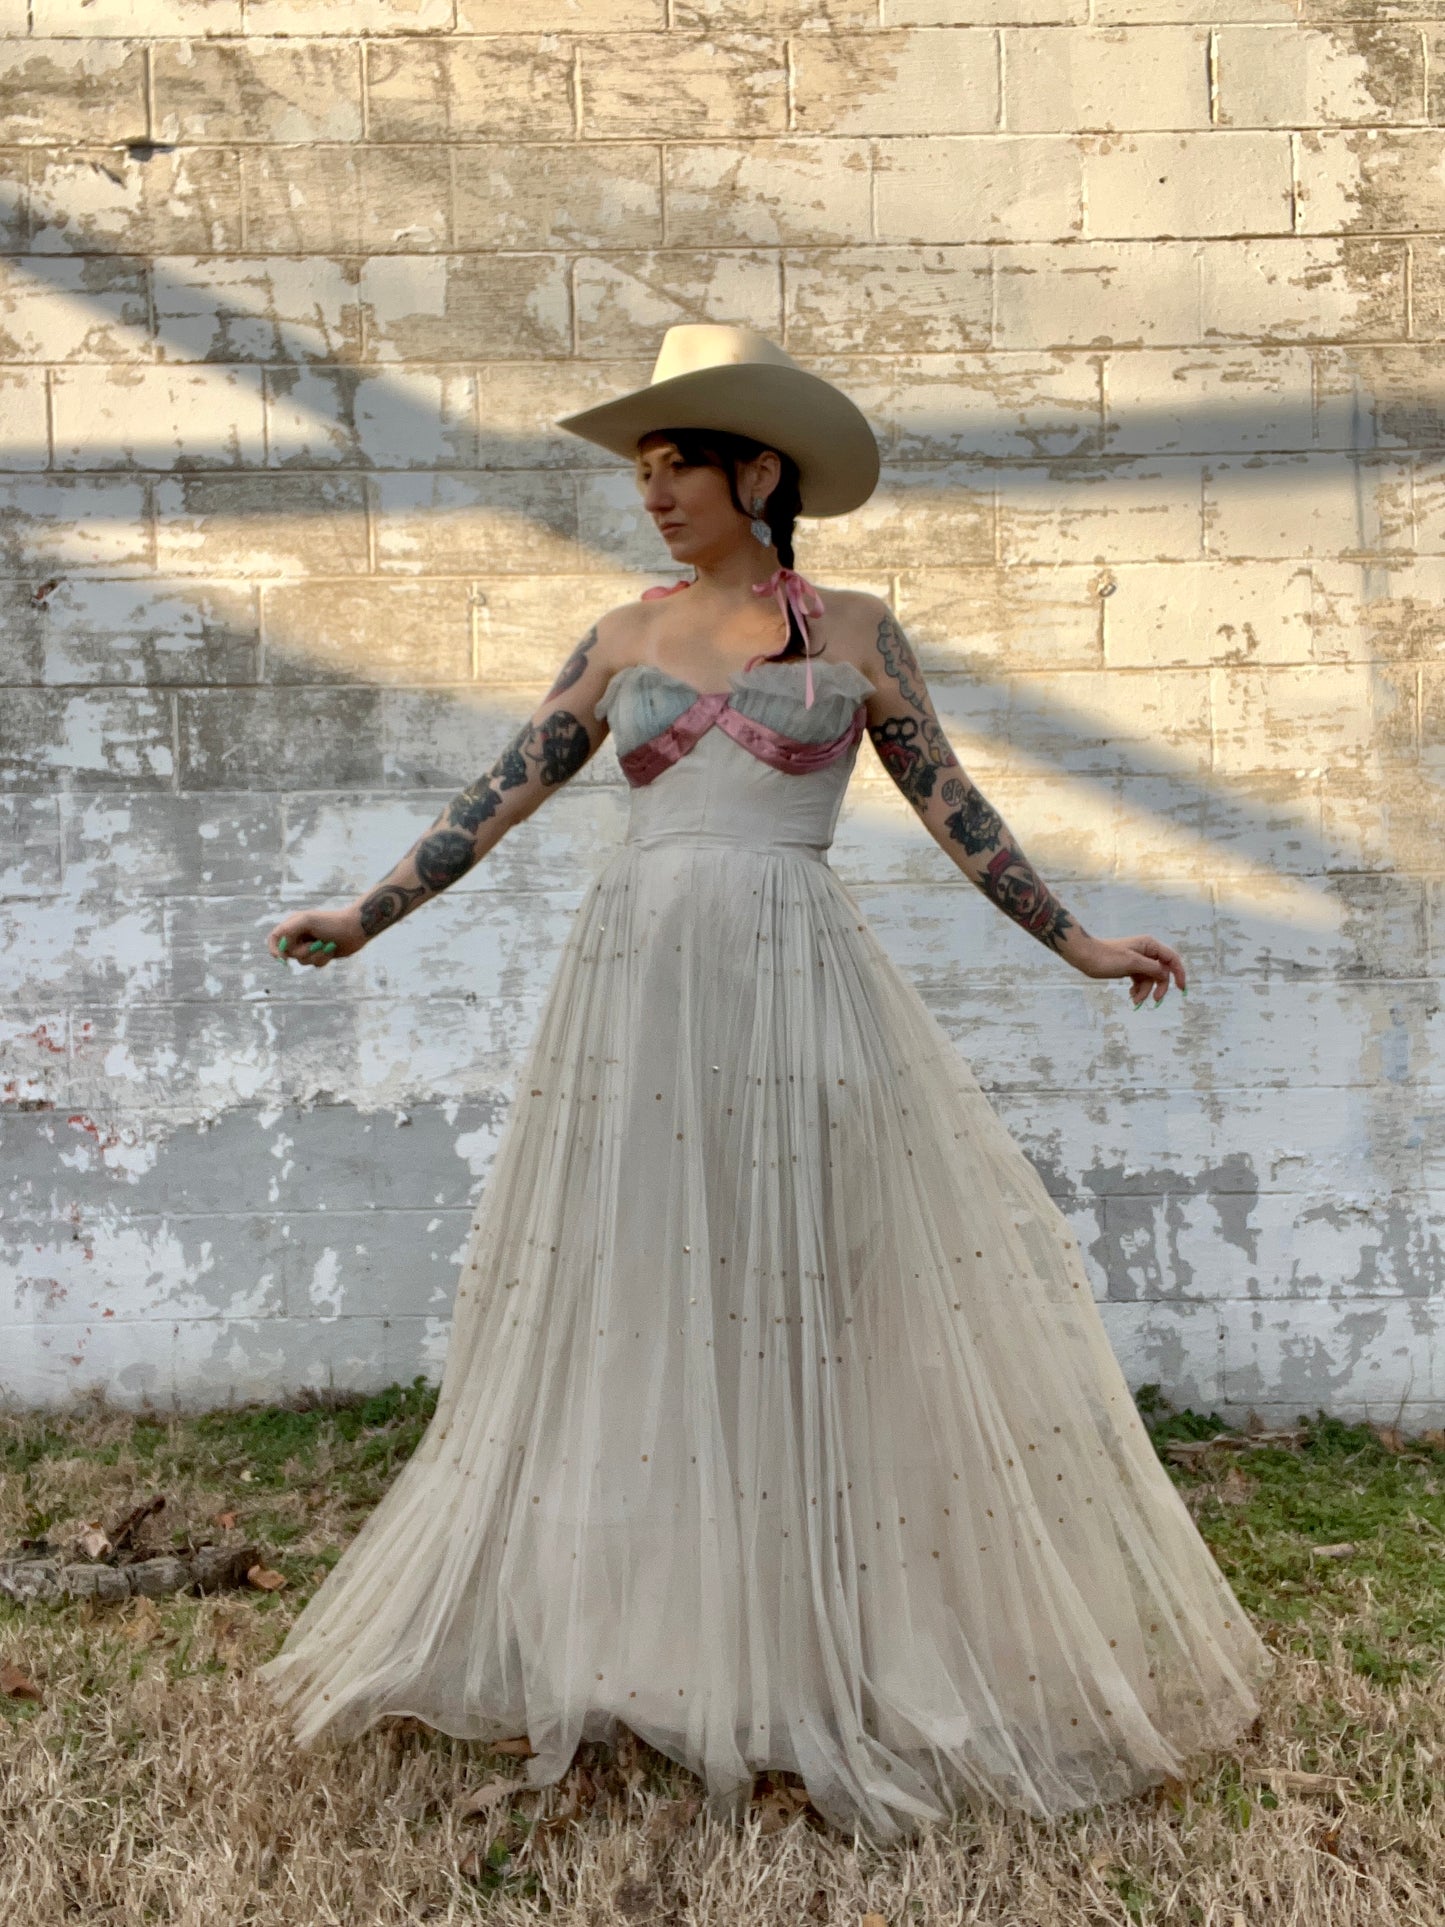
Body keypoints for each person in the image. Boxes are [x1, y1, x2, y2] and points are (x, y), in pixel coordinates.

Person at [257, 324, 1272, 1845]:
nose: (654, 494)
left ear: (761, 471)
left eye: (679, 467)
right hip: (642, 992)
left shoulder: (856, 630)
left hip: (795, 984)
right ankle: (648, 1639)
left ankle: (813, 1642)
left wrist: (1075, 942)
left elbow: (954, 804)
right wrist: (367, 908)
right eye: (644, 469)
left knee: (804, 1287)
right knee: (648, 1291)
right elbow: (501, 793)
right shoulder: (620, 638)